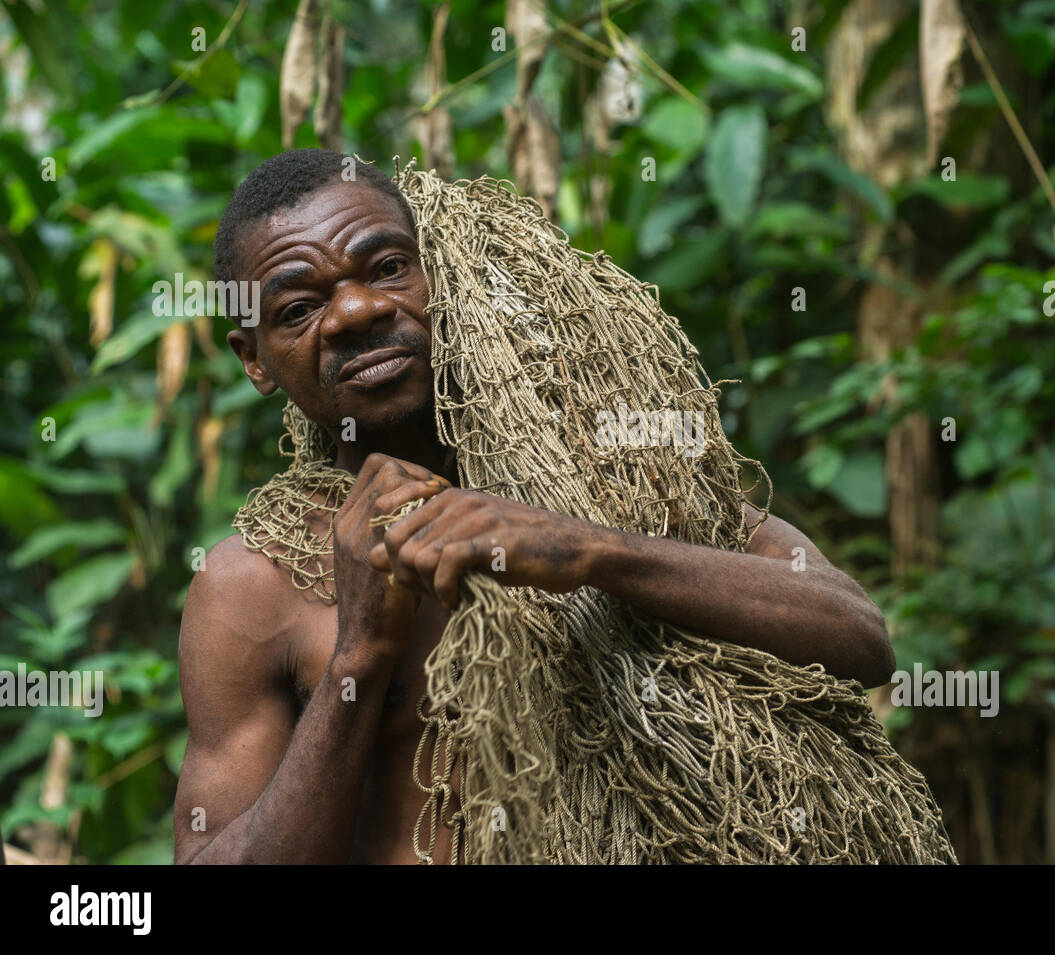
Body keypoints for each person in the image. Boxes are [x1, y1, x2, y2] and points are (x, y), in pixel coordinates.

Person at [172, 149, 897, 864]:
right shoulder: (252, 583)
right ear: (255, 358)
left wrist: (591, 549)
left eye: (389, 268)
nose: (357, 311)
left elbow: (860, 637)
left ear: (440, 274)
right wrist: (360, 657)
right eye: (300, 307)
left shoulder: (609, 474)